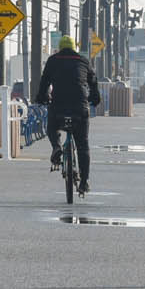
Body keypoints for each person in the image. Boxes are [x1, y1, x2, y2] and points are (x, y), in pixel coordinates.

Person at [38, 35, 98, 194]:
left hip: (58, 106)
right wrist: (94, 98)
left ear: (60, 47)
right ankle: (84, 182)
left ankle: (57, 147)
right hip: (80, 107)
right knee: (83, 145)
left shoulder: (52, 60)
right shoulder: (83, 61)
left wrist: (41, 98)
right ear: (74, 47)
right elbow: (93, 81)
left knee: (51, 126)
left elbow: (44, 82)